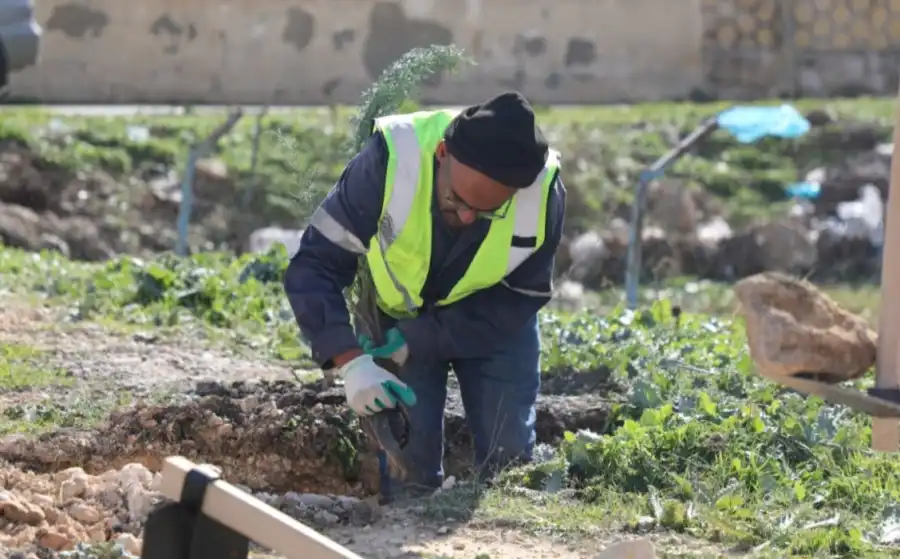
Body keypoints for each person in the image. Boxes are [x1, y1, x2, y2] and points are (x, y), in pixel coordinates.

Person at [284, 91, 567, 491]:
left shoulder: (542, 191)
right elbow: (315, 265)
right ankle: (407, 521)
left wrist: (420, 339)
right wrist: (350, 362)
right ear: (442, 154)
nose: (467, 216)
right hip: (397, 315)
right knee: (407, 465)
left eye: (487, 211)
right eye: (457, 200)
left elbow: (521, 295)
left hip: (493, 320)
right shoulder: (392, 158)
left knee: (509, 458)